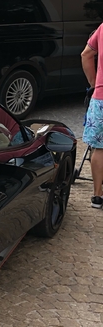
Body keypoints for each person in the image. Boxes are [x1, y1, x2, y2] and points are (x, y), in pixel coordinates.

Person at [82, 24, 103, 208]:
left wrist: (94, 83)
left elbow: (86, 54)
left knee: (99, 148)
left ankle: (97, 196)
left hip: (100, 98)